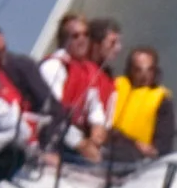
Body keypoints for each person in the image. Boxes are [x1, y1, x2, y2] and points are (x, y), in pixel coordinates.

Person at [40, 13, 119, 160]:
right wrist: (80, 144)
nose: (82, 40)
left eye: (86, 35)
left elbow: (94, 105)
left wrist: (98, 126)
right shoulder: (54, 66)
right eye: (75, 36)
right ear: (64, 40)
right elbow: (51, 113)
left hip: (73, 138)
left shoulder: (87, 71)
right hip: (50, 140)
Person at [0, 22, 58, 124]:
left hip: (30, 121)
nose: (1, 56)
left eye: (2, 49)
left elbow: (45, 99)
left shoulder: (22, 65)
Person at [107, 49, 177, 162]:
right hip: (107, 148)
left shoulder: (162, 100)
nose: (144, 76)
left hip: (136, 160)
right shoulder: (115, 86)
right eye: (138, 70)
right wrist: (134, 143)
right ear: (130, 70)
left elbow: (163, 147)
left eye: (149, 70)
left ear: (155, 71)